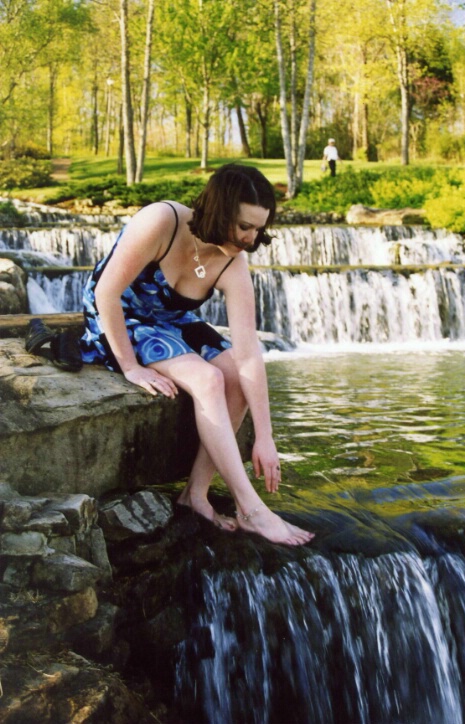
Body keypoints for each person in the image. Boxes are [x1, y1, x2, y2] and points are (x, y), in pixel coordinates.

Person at [80, 164, 315, 547]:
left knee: (235, 377)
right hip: (116, 316)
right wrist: (130, 367)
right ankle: (251, 509)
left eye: (259, 230)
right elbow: (106, 291)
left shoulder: (232, 261)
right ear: (220, 210)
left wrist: (265, 437)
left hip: (172, 321)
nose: (251, 239)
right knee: (208, 379)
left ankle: (196, 493)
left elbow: (249, 353)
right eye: (244, 227)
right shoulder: (163, 220)